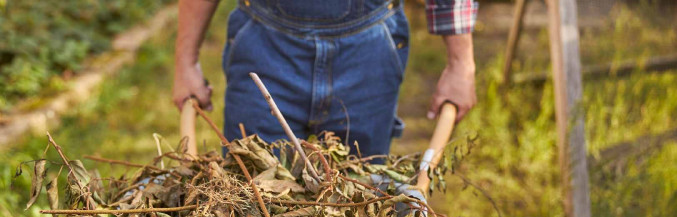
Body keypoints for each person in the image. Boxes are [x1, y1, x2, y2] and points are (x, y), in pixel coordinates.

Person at [173, 0, 477, 157]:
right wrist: (185, 62)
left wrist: (460, 64)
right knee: (251, 206)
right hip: (265, 48)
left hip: (367, 52)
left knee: (358, 212)